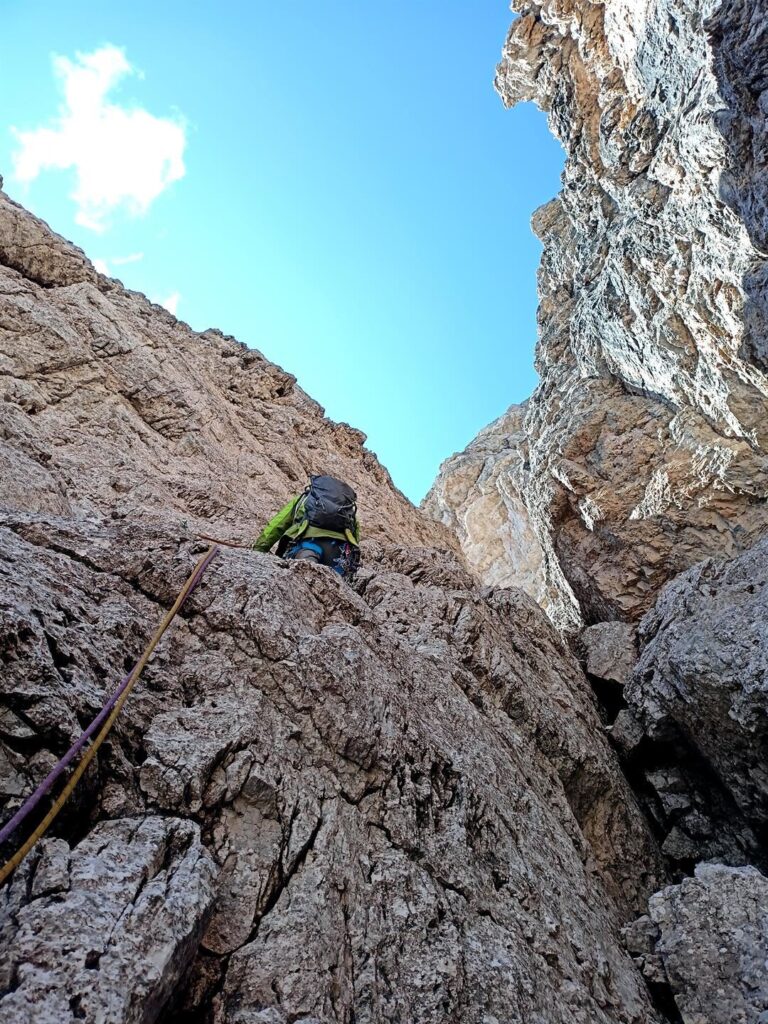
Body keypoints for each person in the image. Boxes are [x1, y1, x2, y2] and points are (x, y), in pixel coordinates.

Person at [253, 475, 361, 579]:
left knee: (302, 581)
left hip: (308, 545)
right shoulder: (347, 509)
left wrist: (258, 550)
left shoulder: (305, 499)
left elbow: (277, 525)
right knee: (336, 591)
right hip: (339, 550)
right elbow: (355, 536)